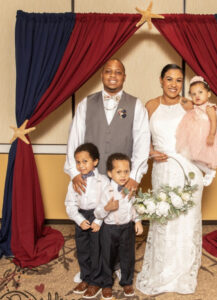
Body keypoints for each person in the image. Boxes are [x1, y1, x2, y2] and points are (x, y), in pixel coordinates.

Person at [64, 58, 150, 283]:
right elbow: (74, 139)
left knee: (120, 225)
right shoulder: (86, 103)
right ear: (102, 75)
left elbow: (142, 141)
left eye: (118, 72)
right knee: (93, 222)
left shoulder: (135, 105)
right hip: (91, 177)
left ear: (124, 76)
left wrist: (134, 176)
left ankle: (120, 265)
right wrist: (74, 172)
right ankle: (91, 267)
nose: (113, 75)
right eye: (108, 71)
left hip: (120, 178)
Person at [136, 64, 204, 295]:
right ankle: (163, 268)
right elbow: (142, 138)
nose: (174, 84)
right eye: (169, 79)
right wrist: (150, 152)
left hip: (187, 168)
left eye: (178, 80)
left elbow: (202, 133)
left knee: (185, 219)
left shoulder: (188, 104)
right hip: (162, 168)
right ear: (161, 80)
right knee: (164, 217)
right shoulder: (151, 105)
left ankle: (183, 269)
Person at [94, 153, 143, 300]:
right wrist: (107, 208)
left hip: (127, 228)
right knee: (107, 256)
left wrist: (138, 221)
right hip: (109, 229)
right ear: (110, 173)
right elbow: (97, 212)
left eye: (126, 171)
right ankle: (107, 284)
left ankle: (126, 282)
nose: (123, 175)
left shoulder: (129, 189)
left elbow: (134, 207)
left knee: (128, 255)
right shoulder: (106, 191)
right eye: (118, 172)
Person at [65, 143, 109, 298]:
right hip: (81, 217)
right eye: (78, 162)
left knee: (97, 250)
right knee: (83, 250)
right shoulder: (74, 182)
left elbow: (106, 203)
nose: (81, 165)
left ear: (95, 162)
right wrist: (78, 219)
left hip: (97, 215)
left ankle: (96, 281)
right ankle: (86, 277)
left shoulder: (103, 181)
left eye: (85, 161)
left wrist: (98, 220)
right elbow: (70, 204)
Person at [176, 76, 217, 186]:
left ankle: (210, 171)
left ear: (209, 94)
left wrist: (211, 134)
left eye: (200, 92)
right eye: (193, 94)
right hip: (195, 138)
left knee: (198, 157)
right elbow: (183, 102)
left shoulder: (209, 108)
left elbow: (214, 122)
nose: (197, 96)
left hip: (205, 137)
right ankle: (203, 172)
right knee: (189, 156)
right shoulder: (194, 107)